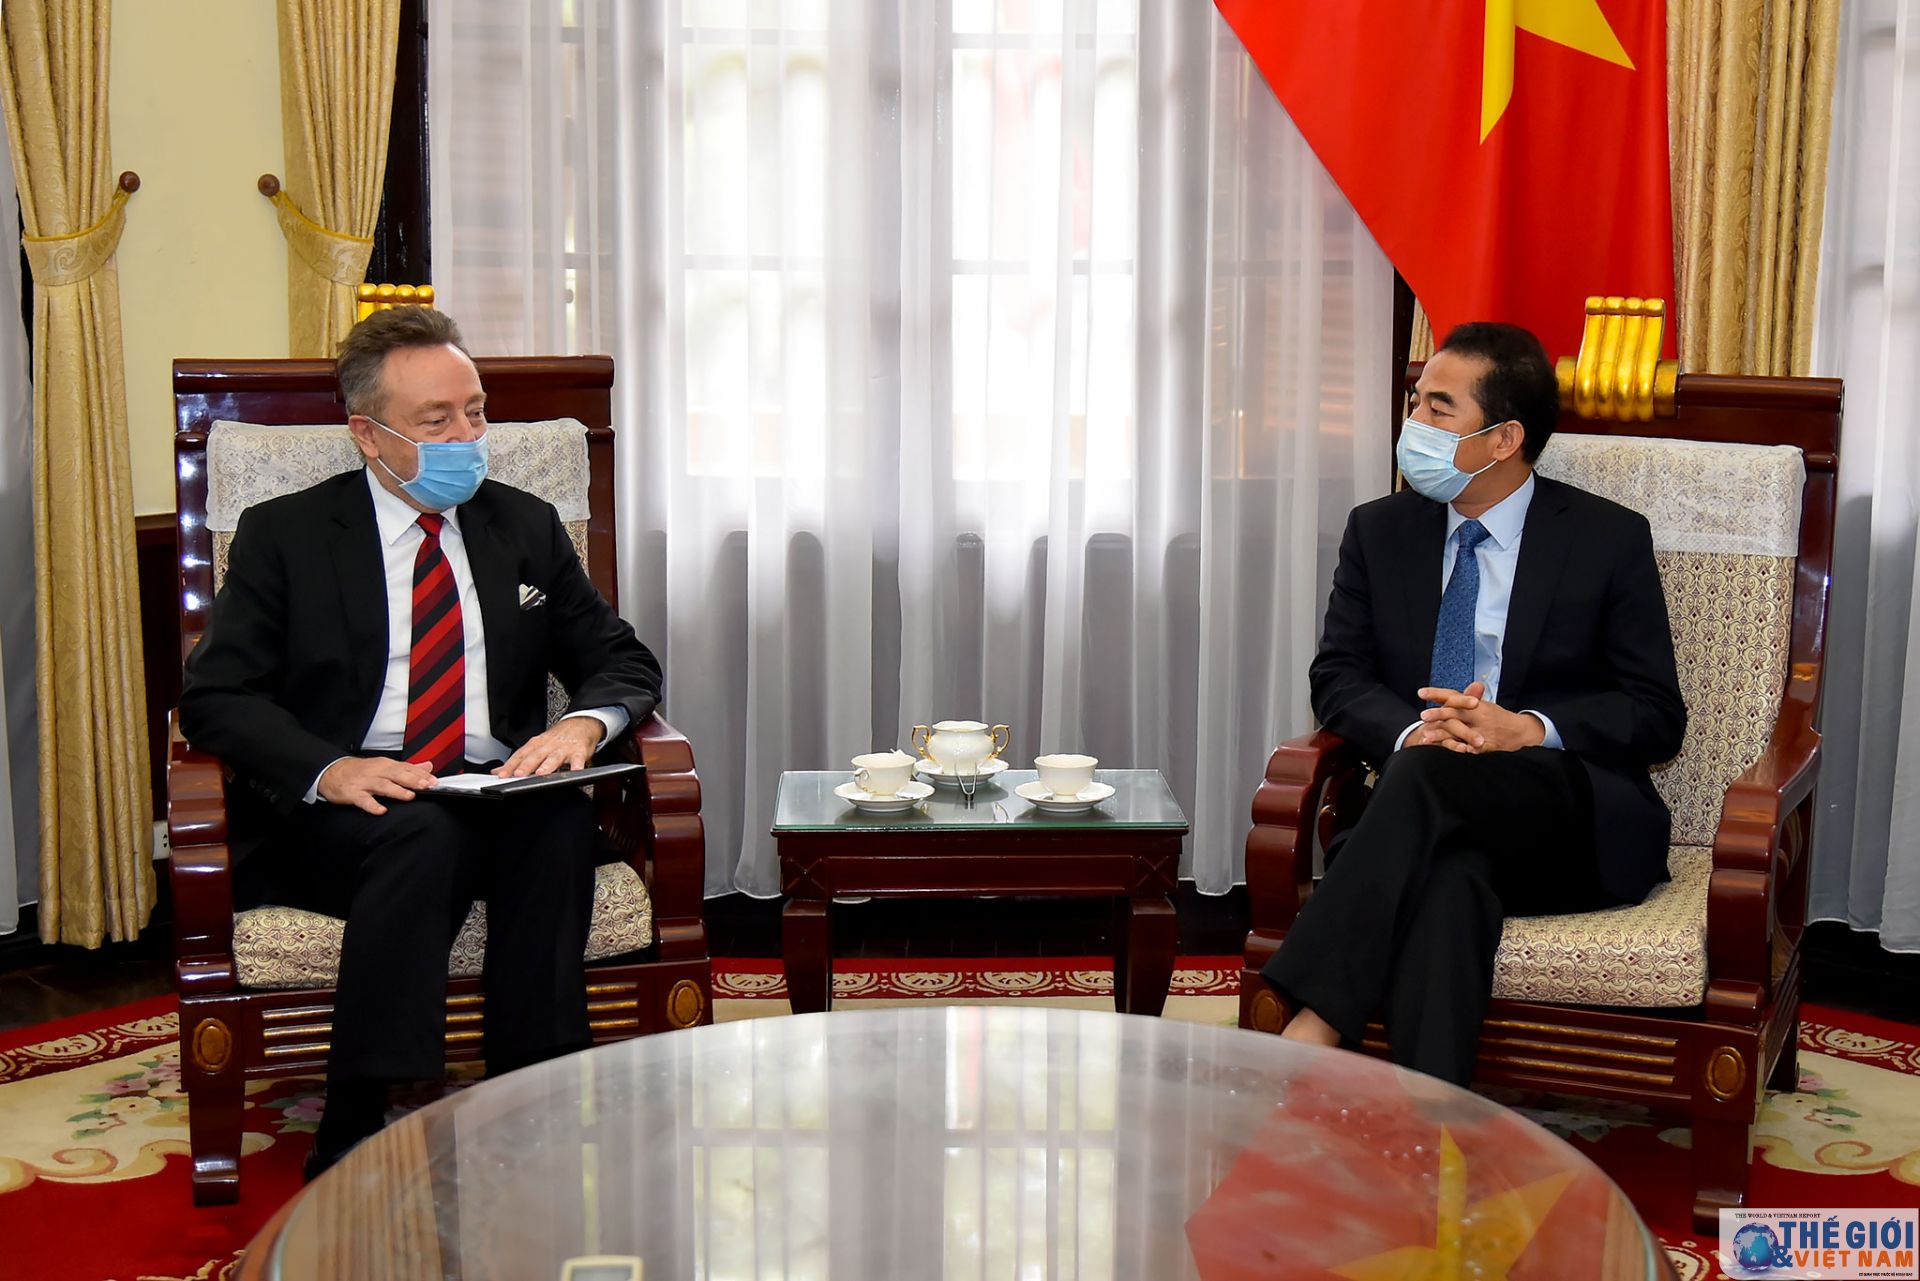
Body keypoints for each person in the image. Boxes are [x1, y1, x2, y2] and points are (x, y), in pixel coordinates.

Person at [179, 307, 663, 1176]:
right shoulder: (287, 536)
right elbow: (215, 696)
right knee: (422, 832)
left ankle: (533, 1102)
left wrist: (581, 723)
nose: (468, 437)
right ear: (369, 434)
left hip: (494, 788)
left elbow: (621, 659)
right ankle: (359, 1125)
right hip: (348, 813)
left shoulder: (523, 525)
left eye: (476, 411)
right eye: (437, 421)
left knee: (557, 821)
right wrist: (329, 768)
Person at [1260, 321, 1686, 1084]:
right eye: (1415, 402)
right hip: (1431, 815)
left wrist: (1526, 729)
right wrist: (1412, 732)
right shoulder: (1379, 530)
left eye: (1439, 407)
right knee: (1447, 881)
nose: (1413, 423)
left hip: (1566, 822)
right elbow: (1339, 675)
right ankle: (1436, 1123)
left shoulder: (1606, 538)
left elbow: (1656, 713)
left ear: (1504, 438)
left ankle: (1312, 1020)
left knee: (1424, 787)